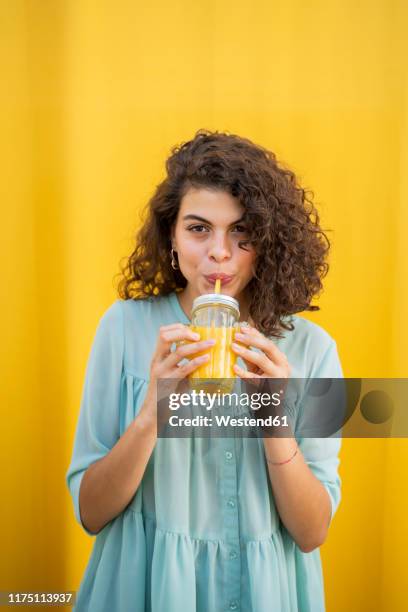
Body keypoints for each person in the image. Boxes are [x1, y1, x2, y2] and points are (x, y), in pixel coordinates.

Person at [66, 129, 344, 612]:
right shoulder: (123, 328)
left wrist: (274, 420)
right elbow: (91, 513)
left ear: (268, 243)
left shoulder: (314, 350)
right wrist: (152, 413)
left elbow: (311, 531)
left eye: (242, 232)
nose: (219, 252)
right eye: (198, 229)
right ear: (170, 238)